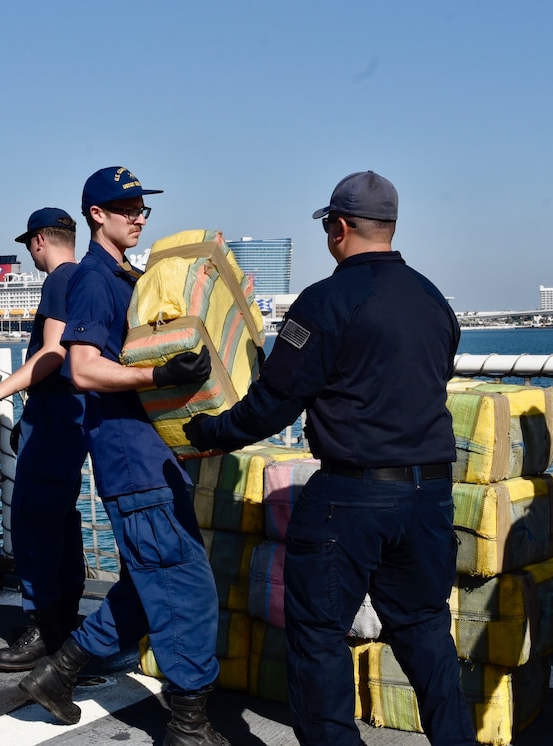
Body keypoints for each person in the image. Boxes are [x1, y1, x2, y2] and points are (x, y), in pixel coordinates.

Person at [183, 171, 475, 746]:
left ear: (338, 227)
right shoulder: (433, 300)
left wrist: (207, 431)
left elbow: (273, 403)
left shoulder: (324, 302)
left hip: (351, 496)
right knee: (424, 632)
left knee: (318, 638)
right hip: (430, 495)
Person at [18, 167, 227, 746]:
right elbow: (81, 368)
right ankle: (188, 724)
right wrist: (158, 373)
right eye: (125, 206)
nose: (137, 215)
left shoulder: (130, 278)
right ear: (96, 215)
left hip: (151, 454)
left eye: (141, 207)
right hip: (131, 459)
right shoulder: (91, 280)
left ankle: (58, 674)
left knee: (146, 581)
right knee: (187, 587)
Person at [0, 208, 88, 671]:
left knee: (33, 518)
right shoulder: (93, 278)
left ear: (38, 241)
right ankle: (64, 618)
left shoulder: (59, 280)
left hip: (53, 413)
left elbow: (54, 351)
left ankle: (43, 626)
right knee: (62, 519)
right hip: (75, 413)